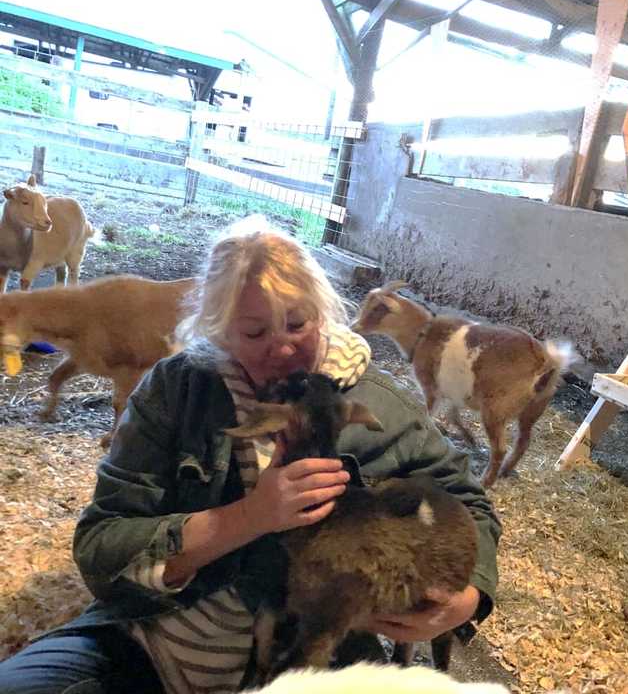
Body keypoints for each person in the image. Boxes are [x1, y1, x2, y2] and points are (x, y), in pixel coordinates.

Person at [0, 216, 501, 694]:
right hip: (152, 639)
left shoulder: (376, 406)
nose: (282, 349)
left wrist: (465, 599)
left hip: (311, 649)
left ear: (323, 314)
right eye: (256, 333)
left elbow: (468, 502)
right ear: (218, 331)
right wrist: (248, 517)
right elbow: (100, 546)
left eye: (297, 324)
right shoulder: (177, 392)